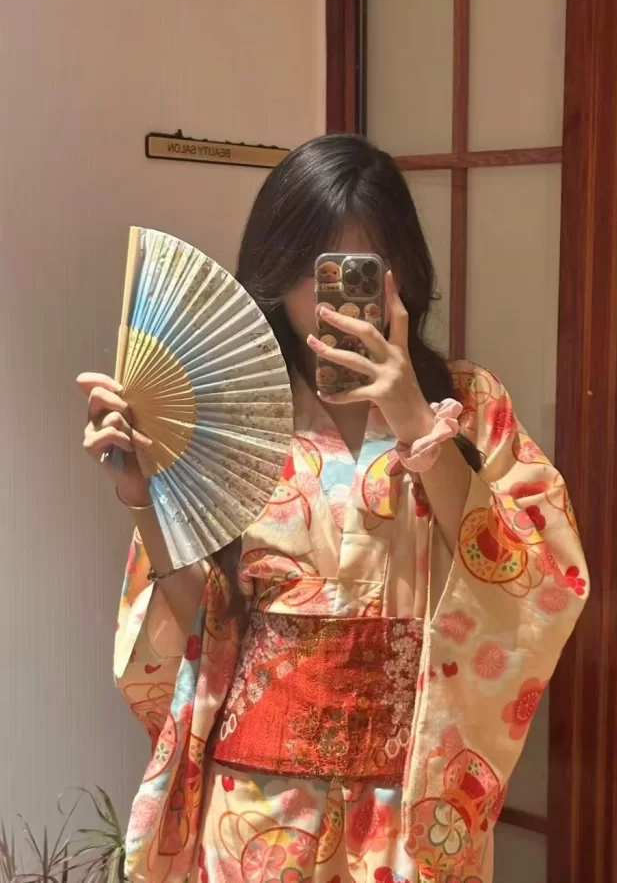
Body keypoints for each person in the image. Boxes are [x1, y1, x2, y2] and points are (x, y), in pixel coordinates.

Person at [77, 134, 588, 883]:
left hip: (406, 801)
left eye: (360, 272)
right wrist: (140, 497)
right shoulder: (230, 416)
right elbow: (204, 620)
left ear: (402, 274)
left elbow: (538, 581)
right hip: (256, 808)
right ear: (274, 272)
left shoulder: (469, 404)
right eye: (310, 272)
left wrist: (416, 420)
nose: (330, 303)